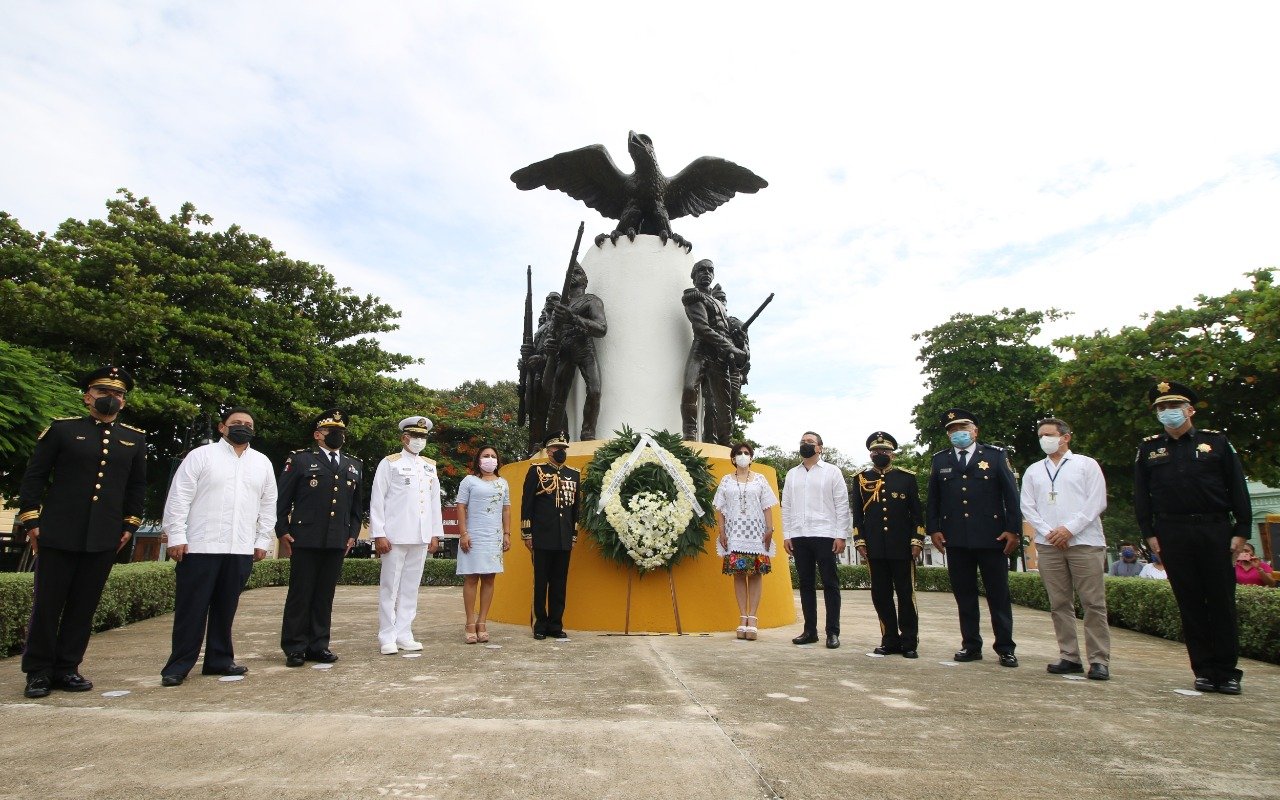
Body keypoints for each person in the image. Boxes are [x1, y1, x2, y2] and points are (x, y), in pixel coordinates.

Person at [16, 366, 146, 699]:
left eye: (117, 394)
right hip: (58, 531)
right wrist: (32, 521)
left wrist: (130, 524)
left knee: (83, 606)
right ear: (88, 396)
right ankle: (39, 671)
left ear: (124, 401)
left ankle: (68, 667)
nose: (111, 398)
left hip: (103, 535)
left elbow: (136, 487)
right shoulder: (62, 431)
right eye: (104, 392)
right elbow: (34, 479)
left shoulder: (133, 439)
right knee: (47, 604)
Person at [1134, 380, 1252, 695]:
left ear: (1190, 409)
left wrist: (1242, 529)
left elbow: (1237, 488)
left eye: (1173, 406)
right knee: (1190, 603)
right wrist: (1150, 534)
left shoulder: (1216, 443)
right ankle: (1203, 669)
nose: (1167, 412)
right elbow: (1142, 496)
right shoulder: (1149, 448)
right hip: (1172, 531)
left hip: (1214, 528)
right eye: (1161, 407)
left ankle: (1227, 672)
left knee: (1221, 601)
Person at [159, 407, 275, 686]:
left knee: (226, 608)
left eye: (248, 424)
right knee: (192, 609)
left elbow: (268, 504)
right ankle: (179, 665)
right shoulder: (201, 456)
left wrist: (262, 540)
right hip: (200, 546)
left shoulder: (262, 462)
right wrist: (176, 536)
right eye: (236, 423)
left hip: (240, 548)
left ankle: (219, 660)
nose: (242, 427)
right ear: (223, 427)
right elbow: (179, 498)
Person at [927, 408, 1022, 667]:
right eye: (952, 430)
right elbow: (934, 499)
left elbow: (1011, 496)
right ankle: (971, 645)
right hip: (956, 538)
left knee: (998, 595)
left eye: (963, 428)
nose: (958, 433)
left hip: (992, 537)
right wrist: (933, 529)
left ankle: (1005, 647)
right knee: (964, 595)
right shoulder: (940, 460)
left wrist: (1014, 530)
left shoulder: (995, 455)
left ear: (975, 431)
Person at [1020, 418, 1111, 680]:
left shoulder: (1085, 464)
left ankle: (1098, 659)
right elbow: (1027, 506)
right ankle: (1069, 655)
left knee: (1093, 603)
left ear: (1065, 437)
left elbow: (1096, 502)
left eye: (1049, 434)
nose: (1044, 439)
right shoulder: (1034, 471)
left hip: (1084, 542)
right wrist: (1049, 531)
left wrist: (1069, 529)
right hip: (1049, 544)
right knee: (1059, 603)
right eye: (1040, 435)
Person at [276, 408, 363, 667]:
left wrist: (352, 534)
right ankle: (295, 646)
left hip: (337, 539)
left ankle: (319, 644)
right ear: (318, 434)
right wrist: (282, 531)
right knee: (301, 593)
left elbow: (356, 508)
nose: (338, 436)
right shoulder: (301, 460)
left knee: (325, 595)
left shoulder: (353, 464)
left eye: (341, 433)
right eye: (332, 432)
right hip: (305, 537)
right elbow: (282, 501)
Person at [368, 416, 443, 655]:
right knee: (390, 587)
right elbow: (377, 499)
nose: (419, 440)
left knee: (411, 587)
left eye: (423, 437)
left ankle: (404, 632)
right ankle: (387, 635)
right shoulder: (390, 463)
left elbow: (434, 502)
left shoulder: (430, 466)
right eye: (415, 436)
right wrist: (378, 533)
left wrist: (435, 533)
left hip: (420, 536)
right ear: (404, 438)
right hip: (394, 535)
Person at [852, 432, 924, 658]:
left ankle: (909, 641)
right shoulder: (861, 479)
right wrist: (859, 541)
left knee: (905, 594)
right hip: (875, 547)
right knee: (881, 595)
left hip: (902, 546)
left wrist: (917, 541)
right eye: (875, 451)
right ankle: (889, 639)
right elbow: (857, 516)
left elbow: (917, 515)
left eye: (883, 451)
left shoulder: (906, 478)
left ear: (892, 453)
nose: (879, 454)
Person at [782, 431, 852, 649]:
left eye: (810, 442)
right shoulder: (792, 474)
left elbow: (841, 504)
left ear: (820, 447)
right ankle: (809, 630)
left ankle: (833, 632)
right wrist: (787, 535)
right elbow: (787, 506)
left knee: (830, 583)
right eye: (802, 442)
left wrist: (841, 534)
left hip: (825, 534)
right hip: (800, 535)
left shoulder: (832, 471)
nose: (805, 445)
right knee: (805, 584)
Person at [713, 442, 778, 641]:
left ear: (751, 457)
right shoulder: (726, 481)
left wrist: (769, 530)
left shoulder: (760, 479)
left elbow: (767, 506)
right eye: (739, 453)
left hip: (756, 534)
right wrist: (722, 532)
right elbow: (720, 509)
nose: (743, 455)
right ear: (733, 458)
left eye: (746, 453)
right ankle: (742, 617)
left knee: (756, 574)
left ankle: (753, 618)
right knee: (739, 574)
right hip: (734, 535)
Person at [521, 432, 580, 639]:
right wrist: (527, 533)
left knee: (559, 583)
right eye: (557, 449)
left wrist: (573, 534)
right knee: (541, 582)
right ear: (548, 452)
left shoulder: (574, 474)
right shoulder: (536, 471)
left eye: (564, 449)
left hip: (564, 538)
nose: (561, 452)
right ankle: (540, 625)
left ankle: (556, 625)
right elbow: (527, 504)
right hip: (542, 536)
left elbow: (575, 509)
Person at [680, 260, 745, 445]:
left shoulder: (720, 304)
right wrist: (731, 347)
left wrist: (736, 341)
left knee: (724, 402)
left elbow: (725, 330)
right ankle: (690, 434)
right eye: (701, 270)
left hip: (721, 354)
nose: (706, 273)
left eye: (710, 270)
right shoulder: (692, 296)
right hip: (702, 349)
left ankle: (725, 440)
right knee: (689, 387)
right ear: (693, 276)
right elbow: (702, 328)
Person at [543, 262, 607, 441]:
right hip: (564, 351)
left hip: (584, 348)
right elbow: (551, 334)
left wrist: (573, 318)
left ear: (584, 280)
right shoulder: (560, 307)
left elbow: (601, 328)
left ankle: (588, 433)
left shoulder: (591, 301)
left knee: (594, 390)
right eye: (569, 272)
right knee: (557, 399)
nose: (572, 275)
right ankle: (555, 438)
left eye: (577, 272)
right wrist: (550, 344)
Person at [456, 444, 512, 643]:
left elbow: (506, 510)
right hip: (473, 535)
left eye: (493, 456)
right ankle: (470, 622)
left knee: (489, 579)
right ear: (478, 460)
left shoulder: (503, 483)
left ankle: (482, 622)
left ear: (498, 460)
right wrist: (463, 533)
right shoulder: (469, 481)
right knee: (471, 578)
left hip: (493, 536)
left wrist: (507, 534)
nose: (489, 459)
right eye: (486, 456)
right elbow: (461, 507)